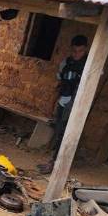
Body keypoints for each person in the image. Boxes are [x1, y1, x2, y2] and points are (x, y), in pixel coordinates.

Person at [38, 34, 89, 174]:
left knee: (67, 134)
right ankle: (54, 161)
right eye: (74, 51)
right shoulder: (65, 63)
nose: (77, 54)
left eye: (80, 51)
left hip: (77, 105)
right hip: (63, 101)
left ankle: (57, 164)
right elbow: (59, 84)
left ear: (86, 50)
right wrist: (52, 103)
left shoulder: (90, 65)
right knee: (59, 131)